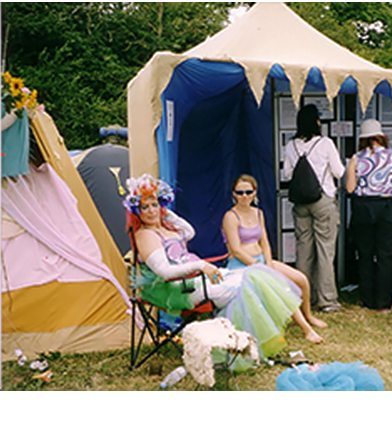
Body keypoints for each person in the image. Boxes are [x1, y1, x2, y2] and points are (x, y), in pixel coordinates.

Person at [124, 174, 322, 363]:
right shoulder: (146, 235)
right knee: (247, 284)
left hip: (197, 278)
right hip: (178, 288)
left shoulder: (165, 228)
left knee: (255, 275)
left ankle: (246, 343)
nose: (151, 211)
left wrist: (166, 213)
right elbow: (164, 272)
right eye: (145, 207)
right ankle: (239, 345)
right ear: (136, 211)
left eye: (155, 205)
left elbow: (189, 232)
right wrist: (201, 265)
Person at [222, 174, 327, 336]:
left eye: (248, 192)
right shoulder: (230, 216)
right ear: (234, 194)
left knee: (301, 280)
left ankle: (309, 315)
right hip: (242, 265)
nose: (244, 196)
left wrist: (268, 262)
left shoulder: (258, 213)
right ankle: (306, 329)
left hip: (261, 260)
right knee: (281, 288)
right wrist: (259, 266)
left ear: (255, 193)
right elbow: (236, 249)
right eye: (240, 192)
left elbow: (264, 241)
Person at [283, 104, 345, 313]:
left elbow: (287, 175)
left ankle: (300, 298)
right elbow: (338, 172)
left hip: (300, 203)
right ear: (317, 122)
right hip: (322, 200)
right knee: (325, 250)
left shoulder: (290, 146)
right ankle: (327, 300)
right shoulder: (325, 143)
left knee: (304, 250)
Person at [346, 119, 392, 311]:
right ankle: (383, 301)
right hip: (387, 207)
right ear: (381, 137)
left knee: (364, 255)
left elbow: (349, 188)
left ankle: (367, 299)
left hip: (363, 208)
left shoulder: (356, 158)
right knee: (385, 255)